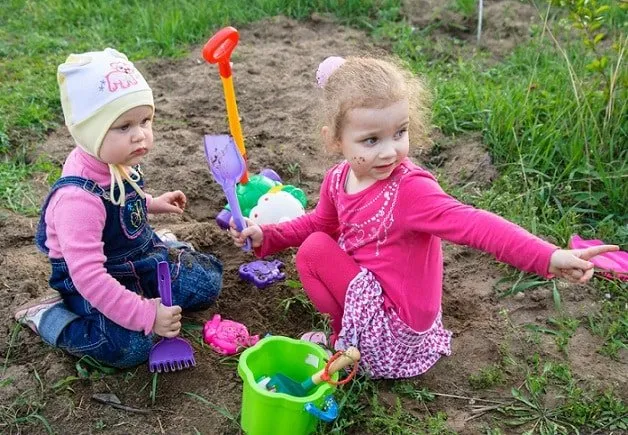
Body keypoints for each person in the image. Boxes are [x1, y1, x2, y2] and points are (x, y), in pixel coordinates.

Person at [229, 55, 619, 379]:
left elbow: (476, 224)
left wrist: (548, 256)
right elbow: (317, 223)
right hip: (381, 302)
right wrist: (267, 234)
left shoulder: (410, 190)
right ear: (335, 139)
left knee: (314, 251)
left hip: (398, 330)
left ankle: (345, 344)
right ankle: (348, 337)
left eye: (399, 132)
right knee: (318, 239)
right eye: (371, 140)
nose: (389, 151)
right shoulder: (337, 179)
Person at [14, 48, 223, 369]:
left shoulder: (118, 158)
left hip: (137, 257)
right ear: (90, 133)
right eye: (123, 126)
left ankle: (163, 248)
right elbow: (90, 277)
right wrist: (146, 315)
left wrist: (153, 203)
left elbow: (126, 200)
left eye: (145, 120)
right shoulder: (77, 200)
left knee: (208, 281)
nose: (140, 134)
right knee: (130, 346)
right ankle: (51, 318)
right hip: (93, 281)